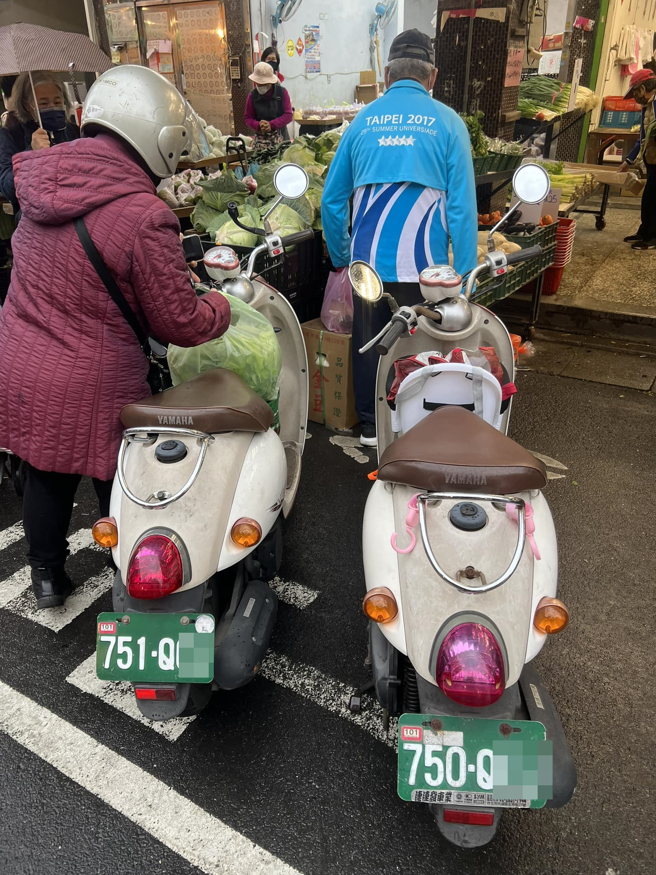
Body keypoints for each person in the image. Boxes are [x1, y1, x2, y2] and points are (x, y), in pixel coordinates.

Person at [0, 65, 231, 610]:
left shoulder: (40, 185)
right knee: (120, 478)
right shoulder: (144, 214)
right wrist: (222, 304)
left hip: (22, 358)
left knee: (45, 470)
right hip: (95, 372)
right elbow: (180, 323)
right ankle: (131, 573)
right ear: (159, 140)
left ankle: (48, 578)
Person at [322, 29, 477, 447]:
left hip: (367, 266)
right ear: (433, 76)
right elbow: (462, 210)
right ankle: (414, 424)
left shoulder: (361, 123)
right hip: (426, 269)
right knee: (419, 343)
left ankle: (372, 427)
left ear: (387, 74)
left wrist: (340, 256)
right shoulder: (448, 124)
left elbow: (332, 201)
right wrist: (465, 279)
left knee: (371, 340)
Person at [0, 71, 79, 214]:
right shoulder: (10, 136)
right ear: (26, 105)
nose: (52, 106)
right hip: (35, 221)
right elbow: (8, 189)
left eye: (57, 102)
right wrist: (31, 154)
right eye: (43, 103)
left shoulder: (74, 131)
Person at [619, 68, 656, 250]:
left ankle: (652, 237)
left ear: (642, 89)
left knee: (653, 196)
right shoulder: (647, 106)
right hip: (652, 159)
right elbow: (642, 138)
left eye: (635, 92)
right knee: (648, 196)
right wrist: (628, 161)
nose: (635, 97)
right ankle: (644, 232)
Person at [245, 61, 292, 148]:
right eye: (258, 83)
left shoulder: (281, 93)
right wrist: (259, 125)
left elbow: (288, 115)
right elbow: (248, 118)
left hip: (281, 138)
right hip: (261, 142)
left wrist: (271, 125)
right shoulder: (252, 95)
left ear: (270, 82)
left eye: (263, 83)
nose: (260, 85)